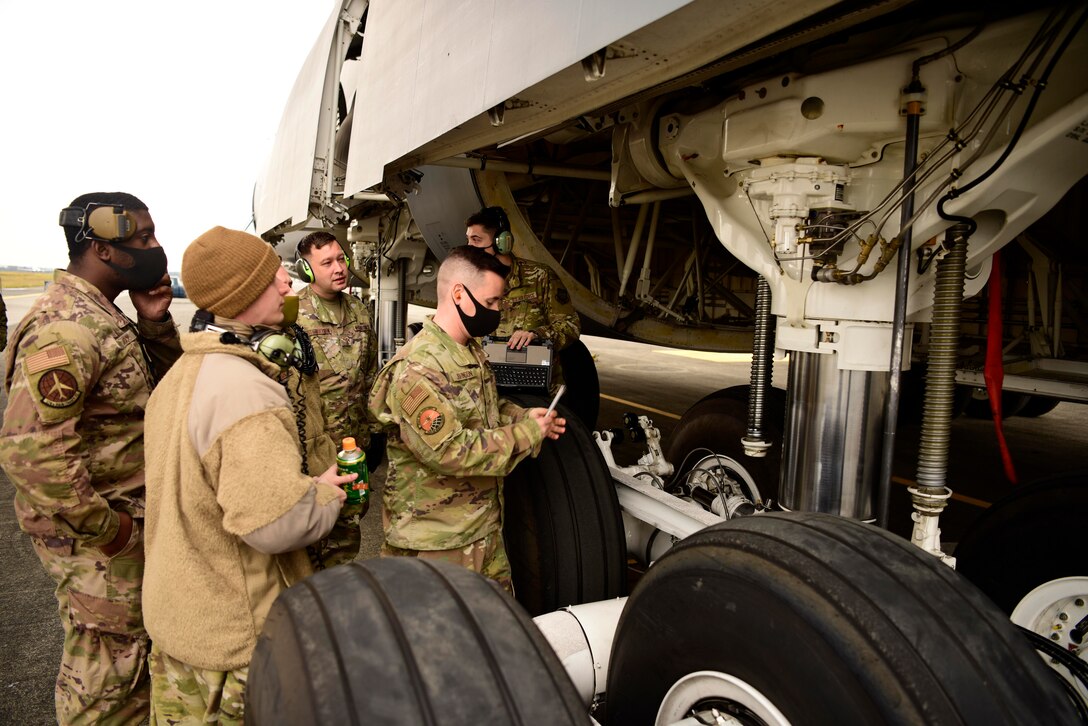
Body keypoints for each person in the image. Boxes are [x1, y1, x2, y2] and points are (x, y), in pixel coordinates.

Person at [141, 226, 352, 723]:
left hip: (181, 630)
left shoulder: (179, 377)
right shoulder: (244, 392)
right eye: (271, 275)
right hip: (237, 647)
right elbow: (278, 523)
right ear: (241, 294)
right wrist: (325, 491)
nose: (286, 283)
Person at [0, 192, 180, 725]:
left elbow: (162, 395)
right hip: (100, 540)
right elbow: (31, 454)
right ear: (103, 249)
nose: (155, 247)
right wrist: (109, 529)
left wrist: (154, 324)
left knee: (135, 663)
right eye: (142, 239)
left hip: (126, 525)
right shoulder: (66, 327)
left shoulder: (105, 315)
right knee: (108, 679)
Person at [368, 245, 566, 591]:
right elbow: (452, 451)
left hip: (481, 531)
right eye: (491, 303)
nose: (498, 312)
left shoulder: (469, 349)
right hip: (436, 545)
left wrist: (520, 415)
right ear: (459, 294)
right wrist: (526, 434)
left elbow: (484, 409)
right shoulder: (417, 369)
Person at [294, 230, 379, 567]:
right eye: (326, 262)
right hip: (316, 447)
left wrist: (374, 435)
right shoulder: (294, 314)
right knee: (312, 535)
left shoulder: (358, 310)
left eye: (340, 258)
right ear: (308, 269)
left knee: (348, 529)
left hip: (354, 445)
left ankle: (338, 594)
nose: (339, 267)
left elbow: (370, 373)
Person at [464, 205, 580, 393]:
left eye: (476, 240)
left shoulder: (540, 276)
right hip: (487, 387)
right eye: (468, 239)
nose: (469, 247)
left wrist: (538, 335)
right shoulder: (470, 282)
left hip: (535, 388)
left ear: (502, 242)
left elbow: (571, 326)